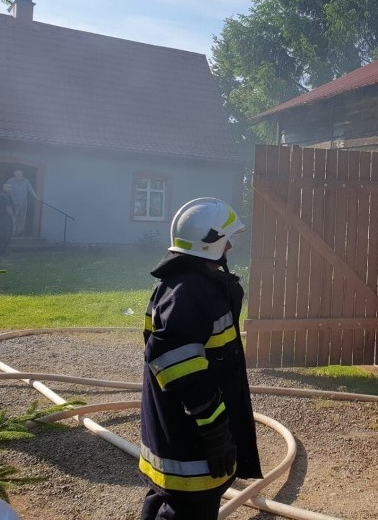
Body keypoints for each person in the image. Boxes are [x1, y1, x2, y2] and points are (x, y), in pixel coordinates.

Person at [140, 198, 261, 520]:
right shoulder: (189, 293)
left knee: (165, 498)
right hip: (192, 434)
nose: (232, 245)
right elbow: (177, 366)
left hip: (181, 427)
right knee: (188, 508)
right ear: (212, 244)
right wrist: (215, 429)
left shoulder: (186, 285)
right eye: (228, 239)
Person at [6, 169, 40, 236]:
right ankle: (13, 231)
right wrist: (11, 201)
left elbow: (31, 190)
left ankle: (20, 231)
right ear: (15, 175)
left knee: (22, 218)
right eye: (18, 174)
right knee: (14, 217)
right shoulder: (10, 181)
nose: (20, 176)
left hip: (23, 203)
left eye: (21, 174)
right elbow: (8, 191)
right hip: (14, 203)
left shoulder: (26, 181)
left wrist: (36, 197)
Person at [0, 183, 14, 256]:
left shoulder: (0, 195)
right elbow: (8, 208)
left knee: (2, 235)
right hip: (5, 218)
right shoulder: (5, 196)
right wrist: (13, 217)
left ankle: (0, 251)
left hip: (0, 218)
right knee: (5, 235)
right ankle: (1, 251)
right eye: (10, 187)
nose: (11, 189)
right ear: (5, 188)